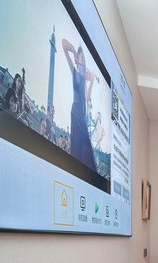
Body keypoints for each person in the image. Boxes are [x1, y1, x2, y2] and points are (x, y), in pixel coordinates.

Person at [62, 39, 98, 172]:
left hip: (81, 114)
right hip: (76, 112)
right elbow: (64, 44)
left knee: (85, 149)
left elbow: (87, 98)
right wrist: (73, 51)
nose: (82, 61)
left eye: (84, 58)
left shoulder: (83, 79)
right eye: (80, 57)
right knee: (81, 148)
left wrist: (92, 81)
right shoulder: (75, 73)